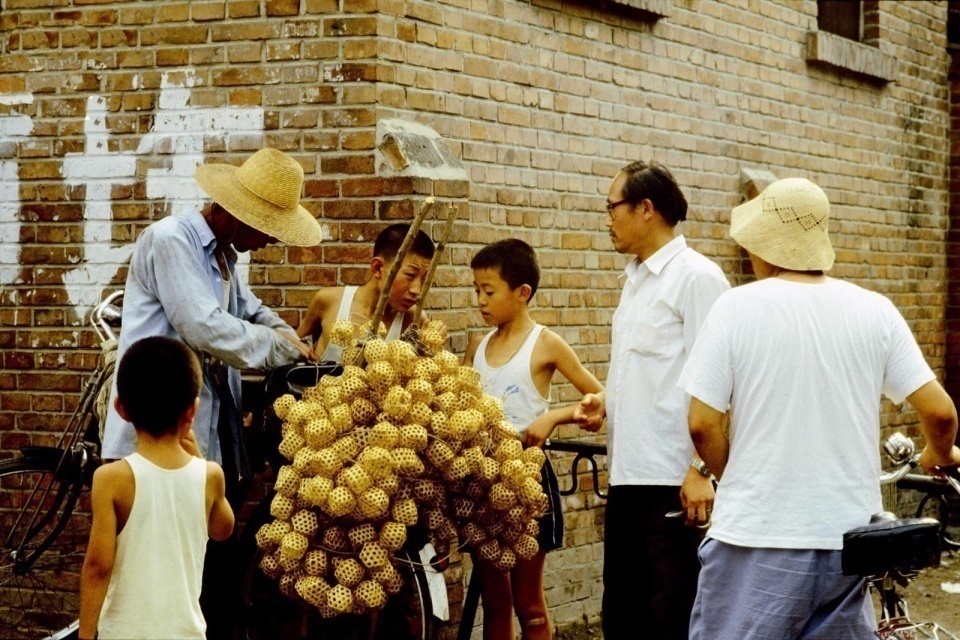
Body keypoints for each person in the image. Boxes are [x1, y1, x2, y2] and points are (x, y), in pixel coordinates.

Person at [679, 177, 960, 639]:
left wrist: (741, 478)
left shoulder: (735, 308)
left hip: (755, 537)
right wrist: (939, 454)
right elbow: (942, 413)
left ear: (765, 248)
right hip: (847, 544)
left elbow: (702, 423)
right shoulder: (875, 310)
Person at [99, 147, 320, 639]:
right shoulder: (170, 241)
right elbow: (205, 327)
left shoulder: (223, 258)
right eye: (264, 228)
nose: (265, 242)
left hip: (202, 439)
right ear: (235, 213)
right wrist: (283, 351)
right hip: (153, 434)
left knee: (199, 578)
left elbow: (251, 311)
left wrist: (291, 338)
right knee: (152, 580)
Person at [574, 161, 730, 639]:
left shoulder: (697, 278)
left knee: (670, 620)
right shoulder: (635, 281)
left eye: (611, 207)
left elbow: (726, 383)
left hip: (674, 484)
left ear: (646, 208)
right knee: (622, 618)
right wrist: (607, 402)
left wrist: (702, 470)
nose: (606, 219)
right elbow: (651, 374)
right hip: (626, 477)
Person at [463, 239, 603, 640]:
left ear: (522, 293)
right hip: (482, 484)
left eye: (489, 291)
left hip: (528, 484)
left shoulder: (546, 344)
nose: (480, 301)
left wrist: (553, 417)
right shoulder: (477, 346)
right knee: (495, 600)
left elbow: (601, 399)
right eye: (476, 291)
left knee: (528, 603)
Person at [79, 337, 235, 640]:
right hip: (185, 633)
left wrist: (85, 635)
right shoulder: (210, 475)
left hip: (124, 633)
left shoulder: (110, 478)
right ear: (192, 411)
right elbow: (223, 529)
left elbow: (97, 566)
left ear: (121, 409)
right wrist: (201, 460)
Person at [297, 223, 435, 357]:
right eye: (410, 275)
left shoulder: (414, 320)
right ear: (377, 268)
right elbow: (290, 349)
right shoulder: (329, 301)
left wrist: (432, 348)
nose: (417, 290)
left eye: (424, 279)